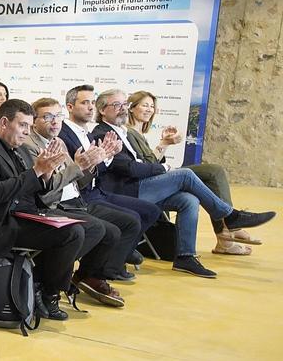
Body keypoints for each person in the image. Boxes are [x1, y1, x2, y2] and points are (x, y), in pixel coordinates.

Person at [91, 89, 273, 279]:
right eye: (117, 105)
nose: (123, 109)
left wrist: (162, 160)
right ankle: (230, 216)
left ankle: (185, 257)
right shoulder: (103, 133)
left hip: (139, 186)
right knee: (185, 175)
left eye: (124, 104)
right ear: (102, 110)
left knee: (188, 199)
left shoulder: (123, 132)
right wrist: (164, 168)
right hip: (124, 192)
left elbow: (143, 164)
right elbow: (130, 169)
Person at [0, 100, 86, 322]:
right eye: (23, 126)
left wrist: (45, 175)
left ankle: (39, 284)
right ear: (4, 122)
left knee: (81, 226)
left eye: (29, 126)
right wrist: (36, 170)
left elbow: (30, 189)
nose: (27, 132)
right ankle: (48, 293)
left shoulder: (11, 148)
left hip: (22, 214)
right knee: (72, 234)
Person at [26, 99, 140, 306]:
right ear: (34, 121)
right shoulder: (30, 146)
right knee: (96, 229)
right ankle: (47, 278)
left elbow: (78, 181)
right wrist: (78, 166)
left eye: (57, 116)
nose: (54, 122)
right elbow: (47, 189)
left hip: (77, 200)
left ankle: (88, 276)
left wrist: (92, 164)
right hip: (55, 205)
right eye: (47, 117)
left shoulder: (58, 143)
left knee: (118, 228)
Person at [126, 90, 256, 255]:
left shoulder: (139, 133)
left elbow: (151, 162)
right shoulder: (128, 132)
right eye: (145, 105)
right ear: (131, 108)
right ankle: (229, 226)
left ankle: (223, 234)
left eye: (152, 106)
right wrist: (164, 144)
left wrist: (165, 143)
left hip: (154, 178)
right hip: (145, 185)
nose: (149, 109)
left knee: (204, 183)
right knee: (213, 171)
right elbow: (147, 166)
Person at [57, 86, 161, 266]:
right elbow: (76, 180)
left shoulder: (87, 133)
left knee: (152, 211)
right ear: (70, 107)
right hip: (82, 198)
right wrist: (100, 160)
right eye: (84, 102)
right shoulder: (63, 134)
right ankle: (105, 268)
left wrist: (106, 157)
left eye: (92, 102)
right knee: (129, 220)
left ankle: (115, 261)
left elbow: (98, 170)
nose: (91, 107)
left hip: (97, 192)